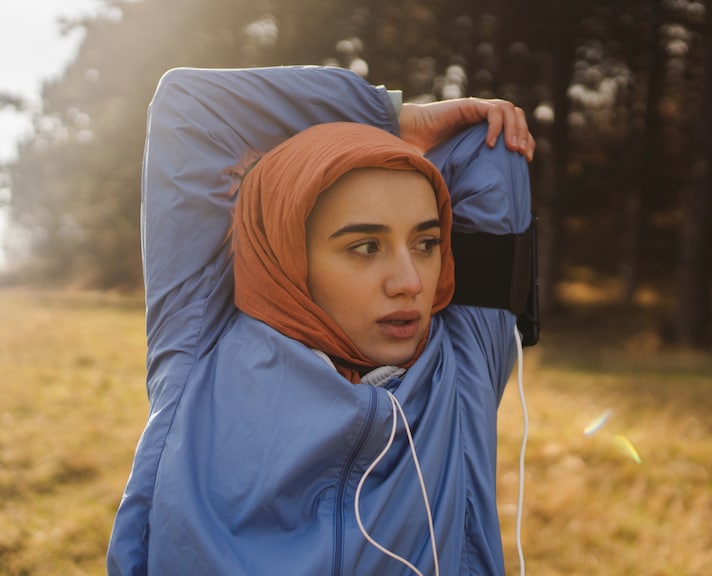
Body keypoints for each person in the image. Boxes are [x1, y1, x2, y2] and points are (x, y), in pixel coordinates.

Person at [107, 65, 536, 575]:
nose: (410, 282)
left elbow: (487, 148)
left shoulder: (460, 373)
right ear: (290, 255)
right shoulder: (199, 348)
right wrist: (390, 118)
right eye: (365, 247)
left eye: (426, 243)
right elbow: (192, 105)